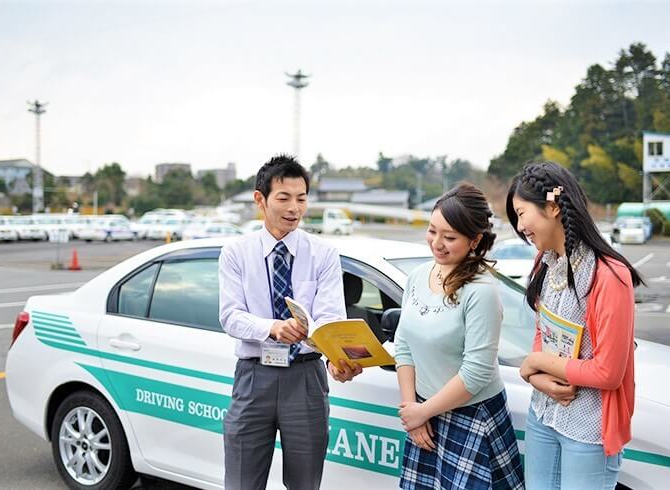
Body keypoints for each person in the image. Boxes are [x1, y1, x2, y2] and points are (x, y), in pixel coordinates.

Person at [219, 154, 362, 490]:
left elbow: (329, 319)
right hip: (254, 379)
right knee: (241, 481)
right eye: (284, 198)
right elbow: (230, 316)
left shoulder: (323, 254)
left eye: (301, 198)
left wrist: (337, 360)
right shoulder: (236, 252)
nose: (294, 208)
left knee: (305, 483)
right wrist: (272, 328)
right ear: (260, 200)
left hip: (306, 379)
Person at [506, 161, 643, 490]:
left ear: (552, 207)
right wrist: (538, 379)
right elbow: (544, 334)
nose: (520, 227)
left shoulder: (609, 275)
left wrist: (536, 363)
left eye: (522, 213)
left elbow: (608, 372)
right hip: (543, 415)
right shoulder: (545, 263)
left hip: (589, 428)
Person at [395, 183, 524, 490]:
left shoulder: (481, 291)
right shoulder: (417, 276)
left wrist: (421, 412)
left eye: (450, 237)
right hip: (423, 413)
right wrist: (412, 409)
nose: (437, 243)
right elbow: (403, 345)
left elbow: (476, 372)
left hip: (471, 417)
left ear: (474, 240)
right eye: (432, 231)